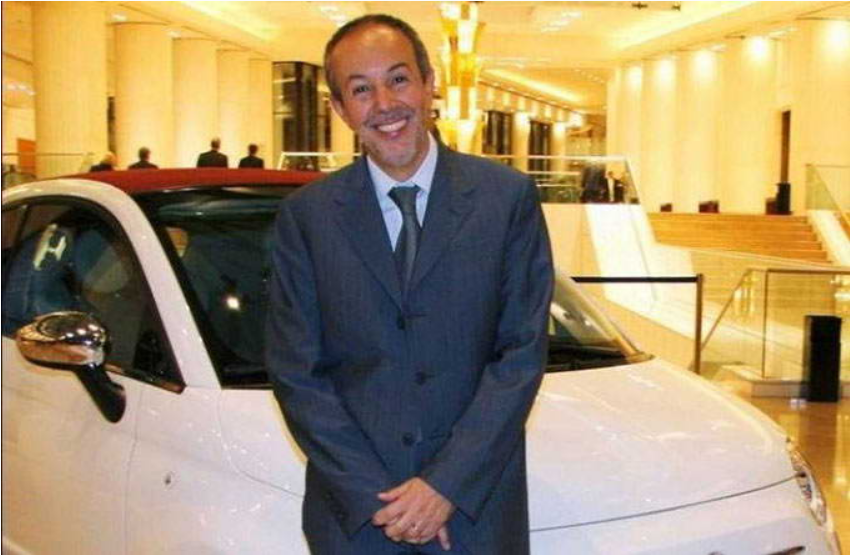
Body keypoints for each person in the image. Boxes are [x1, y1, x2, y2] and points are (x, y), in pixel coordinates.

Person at [265, 14, 553, 555]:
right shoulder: (307, 217)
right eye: (361, 90)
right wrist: (377, 500)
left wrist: (445, 486)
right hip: (358, 521)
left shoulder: (505, 199)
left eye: (398, 79)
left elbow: (520, 355)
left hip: (475, 515)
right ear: (340, 109)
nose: (385, 104)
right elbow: (297, 373)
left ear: (429, 84)